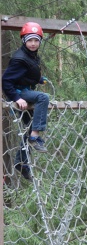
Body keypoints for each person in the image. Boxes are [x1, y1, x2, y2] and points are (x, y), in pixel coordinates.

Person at [2, 22, 50, 180]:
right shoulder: (19, 59)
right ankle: (35, 136)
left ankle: (21, 163)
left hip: (25, 89)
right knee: (43, 98)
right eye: (30, 40)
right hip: (19, 92)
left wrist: (39, 78)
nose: (33, 44)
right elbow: (6, 81)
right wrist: (17, 98)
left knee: (28, 127)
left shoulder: (30, 55)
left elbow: (26, 72)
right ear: (24, 41)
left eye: (36, 40)